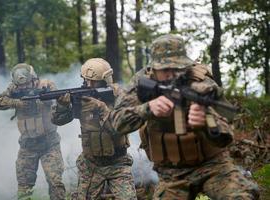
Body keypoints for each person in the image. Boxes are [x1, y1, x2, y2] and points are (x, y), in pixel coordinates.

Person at [107, 34, 260, 199]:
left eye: (177, 68)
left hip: (214, 165)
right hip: (171, 173)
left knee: (241, 196)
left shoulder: (202, 83)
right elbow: (116, 123)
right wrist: (147, 108)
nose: (172, 74)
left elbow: (227, 135)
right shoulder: (141, 82)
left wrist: (207, 122)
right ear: (153, 68)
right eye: (165, 69)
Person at [51, 58, 137, 200]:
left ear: (105, 81)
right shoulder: (83, 99)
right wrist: (62, 106)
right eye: (87, 80)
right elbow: (59, 121)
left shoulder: (120, 97)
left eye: (94, 81)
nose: (89, 85)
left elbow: (122, 125)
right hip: (91, 165)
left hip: (118, 163)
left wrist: (100, 108)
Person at [0, 63, 65, 200]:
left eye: (27, 84)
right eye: (21, 86)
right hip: (27, 146)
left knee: (55, 183)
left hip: (49, 144)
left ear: (33, 78)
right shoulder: (13, 88)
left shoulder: (47, 85)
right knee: (24, 187)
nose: (24, 88)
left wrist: (52, 102)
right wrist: (16, 103)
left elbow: (60, 102)